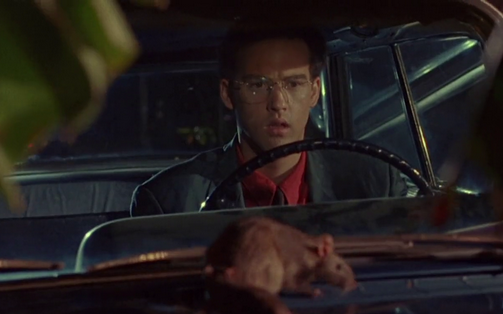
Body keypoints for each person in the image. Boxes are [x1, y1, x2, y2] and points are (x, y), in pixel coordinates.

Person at [130, 22, 408, 217]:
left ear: (314, 92)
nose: (278, 103)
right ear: (228, 93)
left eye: (293, 84)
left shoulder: (374, 184)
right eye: (257, 86)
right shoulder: (171, 201)